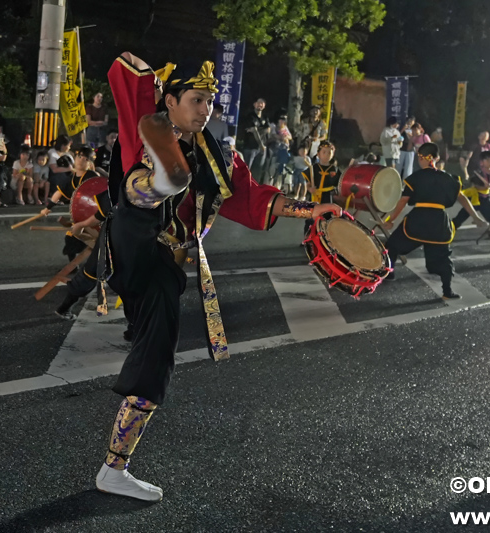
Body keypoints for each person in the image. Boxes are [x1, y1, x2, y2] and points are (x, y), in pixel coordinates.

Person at [90, 52, 343, 501]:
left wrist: (310, 209)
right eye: (196, 99)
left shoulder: (221, 156)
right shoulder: (149, 131)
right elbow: (126, 66)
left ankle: (166, 182)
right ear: (169, 101)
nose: (205, 108)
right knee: (139, 186)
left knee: (153, 349)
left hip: (158, 265)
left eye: (210, 101)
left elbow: (252, 198)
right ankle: (163, 182)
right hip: (137, 239)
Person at [383, 143, 487, 299]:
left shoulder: (416, 178)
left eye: (419, 156)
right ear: (437, 158)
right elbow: (463, 199)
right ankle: (447, 291)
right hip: (439, 223)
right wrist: (476, 217)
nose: (419, 160)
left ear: (425, 158)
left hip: (418, 221)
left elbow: (403, 201)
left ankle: (389, 274)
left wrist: (390, 220)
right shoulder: (450, 179)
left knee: (391, 246)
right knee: (443, 258)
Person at [40, 147, 100, 262]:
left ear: (89, 162)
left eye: (85, 158)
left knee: (84, 237)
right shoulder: (71, 180)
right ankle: (73, 266)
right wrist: (48, 208)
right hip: (81, 218)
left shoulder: (92, 176)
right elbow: (59, 193)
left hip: (95, 217)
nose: (80, 159)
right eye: (79, 156)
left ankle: (95, 264)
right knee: (70, 236)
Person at [453, 150, 490, 228]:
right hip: (474, 197)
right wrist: (484, 187)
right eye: (488, 160)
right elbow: (474, 185)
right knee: (461, 217)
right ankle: (450, 230)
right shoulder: (478, 172)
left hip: (485, 199)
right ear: (482, 162)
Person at [303, 140, 340, 233]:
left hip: (328, 196)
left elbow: (340, 182)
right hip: (314, 195)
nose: (326, 155)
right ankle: (308, 237)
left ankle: (324, 238)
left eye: (329, 152)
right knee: (310, 216)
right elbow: (307, 182)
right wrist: (309, 189)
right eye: (324, 152)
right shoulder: (314, 168)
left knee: (327, 216)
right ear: (318, 154)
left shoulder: (334, 169)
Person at [241, 98, 270, 171]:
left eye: (262, 103)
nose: (260, 104)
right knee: (247, 169)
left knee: (258, 170)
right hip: (250, 147)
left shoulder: (265, 117)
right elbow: (254, 130)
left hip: (262, 149)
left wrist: (257, 130)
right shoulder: (250, 116)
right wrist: (261, 145)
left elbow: (268, 129)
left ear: (264, 105)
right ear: (254, 104)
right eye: (258, 102)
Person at [270, 114, 293, 189]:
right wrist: (281, 137)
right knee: (273, 166)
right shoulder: (274, 126)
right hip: (275, 149)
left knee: (282, 167)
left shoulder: (285, 128)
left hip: (284, 149)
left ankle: (279, 185)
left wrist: (285, 137)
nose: (283, 121)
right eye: (281, 119)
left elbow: (290, 136)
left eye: (284, 119)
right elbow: (273, 135)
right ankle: (271, 183)